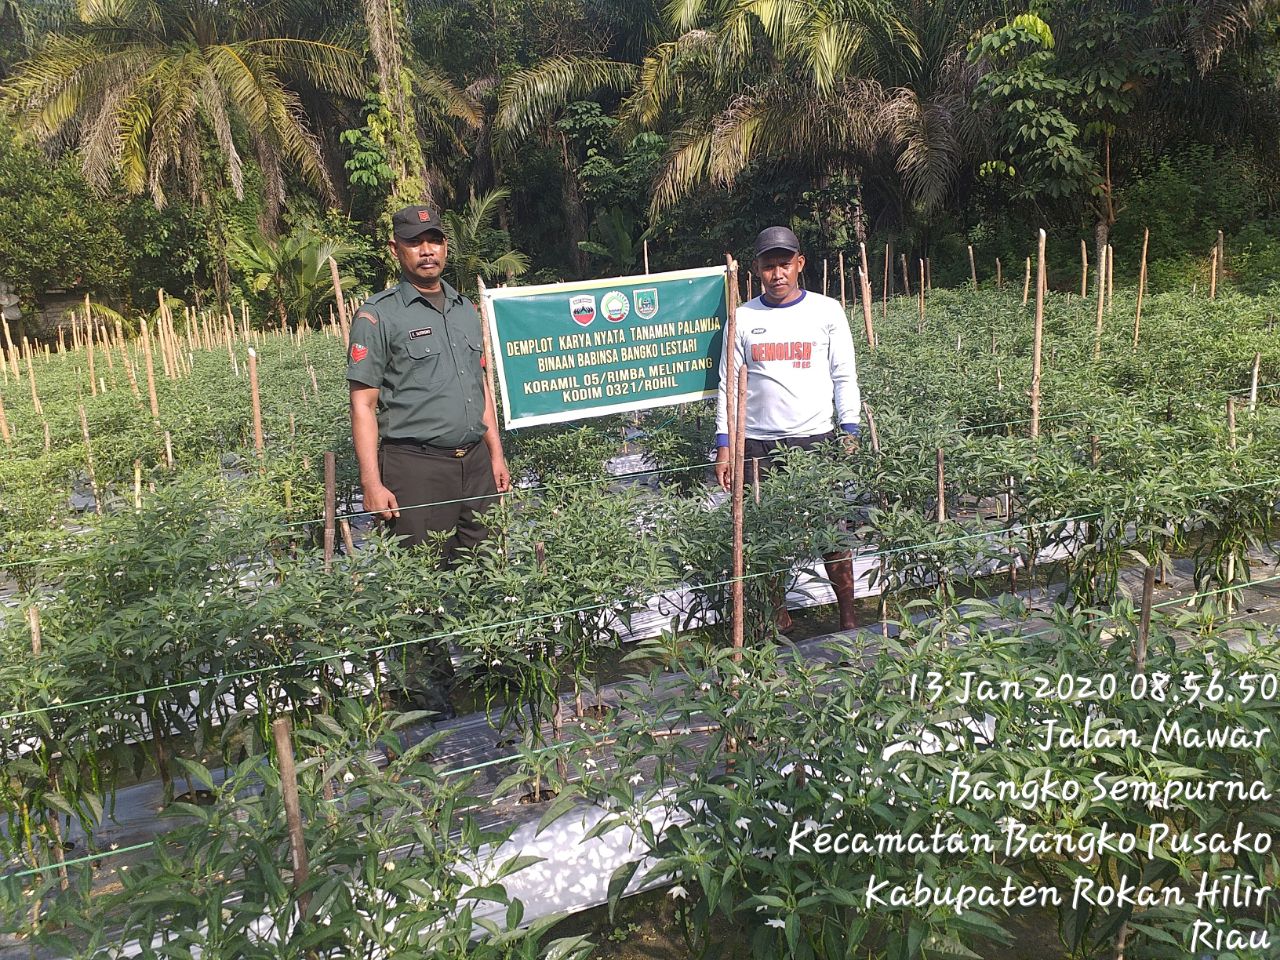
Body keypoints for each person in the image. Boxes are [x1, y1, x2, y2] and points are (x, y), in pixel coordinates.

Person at [347, 203, 512, 715]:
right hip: (415, 466)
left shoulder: (465, 310)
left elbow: (481, 386)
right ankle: (432, 695)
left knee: (484, 569)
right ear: (396, 249)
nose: (427, 250)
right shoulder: (378, 315)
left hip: (475, 465)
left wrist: (496, 452)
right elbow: (364, 404)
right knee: (420, 582)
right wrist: (372, 483)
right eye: (416, 241)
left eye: (435, 240)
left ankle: (491, 669)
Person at [714, 225, 861, 632]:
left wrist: (850, 429)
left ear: (800, 264)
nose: (777, 274)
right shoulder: (742, 318)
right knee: (764, 534)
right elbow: (728, 385)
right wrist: (725, 447)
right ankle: (779, 616)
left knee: (833, 533)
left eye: (784, 264)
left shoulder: (826, 311)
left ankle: (848, 615)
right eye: (768, 266)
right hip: (759, 443)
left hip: (816, 438)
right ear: (756, 270)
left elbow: (844, 375)